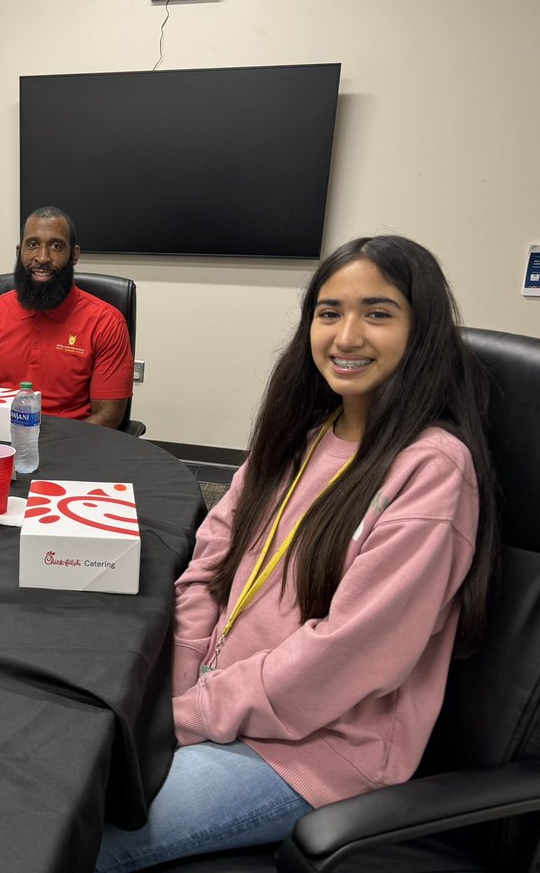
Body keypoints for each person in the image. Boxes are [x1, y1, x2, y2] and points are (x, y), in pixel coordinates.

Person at [95, 235, 499, 871]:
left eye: (379, 312)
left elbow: (345, 657)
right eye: (330, 312)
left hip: (314, 752)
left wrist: (186, 715)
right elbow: (208, 569)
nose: (346, 336)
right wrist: (179, 686)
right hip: (217, 705)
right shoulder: (301, 439)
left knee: (77, 830)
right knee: (48, 771)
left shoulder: (432, 471)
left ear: (422, 332)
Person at [0, 206, 133, 428]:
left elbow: (107, 417)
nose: (42, 257)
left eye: (56, 246)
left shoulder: (106, 322)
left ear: (74, 254)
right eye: (32, 245)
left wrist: (48, 450)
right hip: (0, 442)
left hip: (74, 446)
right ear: (19, 251)